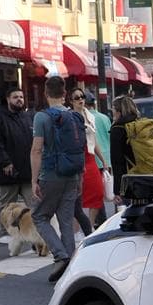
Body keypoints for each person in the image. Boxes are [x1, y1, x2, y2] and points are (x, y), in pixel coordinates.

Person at [31, 76, 85, 282]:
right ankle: (71, 264)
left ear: (45, 94)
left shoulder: (42, 117)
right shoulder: (75, 116)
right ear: (64, 95)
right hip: (72, 174)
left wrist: (34, 180)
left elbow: (36, 150)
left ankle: (60, 255)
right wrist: (79, 177)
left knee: (39, 216)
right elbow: (79, 148)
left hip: (51, 174)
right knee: (66, 218)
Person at [0, 87, 35, 242]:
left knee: (33, 204)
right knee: (7, 205)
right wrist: (5, 162)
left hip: (27, 171)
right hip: (8, 172)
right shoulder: (0, 120)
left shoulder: (28, 118)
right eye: (15, 97)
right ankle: (4, 233)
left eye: (21, 96)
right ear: (8, 99)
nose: (19, 99)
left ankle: (34, 231)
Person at [109, 96, 153, 203]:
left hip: (131, 178)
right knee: (147, 212)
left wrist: (118, 190)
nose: (112, 112)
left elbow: (117, 161)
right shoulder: (139, 124)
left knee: (131, 214)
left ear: (119, 111)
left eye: (113, 109)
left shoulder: (118, 129)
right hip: (149, 174)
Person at [68, 88, 110, 237]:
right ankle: (76, 230)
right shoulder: (69, 116)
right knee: (76, 197)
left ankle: (89, 227)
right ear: (71, 101)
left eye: (82, 96)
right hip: (77, 157)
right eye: (77, 97)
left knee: (97, 193)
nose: (81, 99)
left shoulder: (90, 116)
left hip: (90, 157)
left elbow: (94, 140)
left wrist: (103, 160)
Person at [86, 92, 113, 226]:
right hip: (106, 158)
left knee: (98, 193)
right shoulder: (104, 118)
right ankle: (113, 217)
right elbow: (110, 137)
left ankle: (100, 220)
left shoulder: (85, 118)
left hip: (93, 160)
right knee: (108, 190)